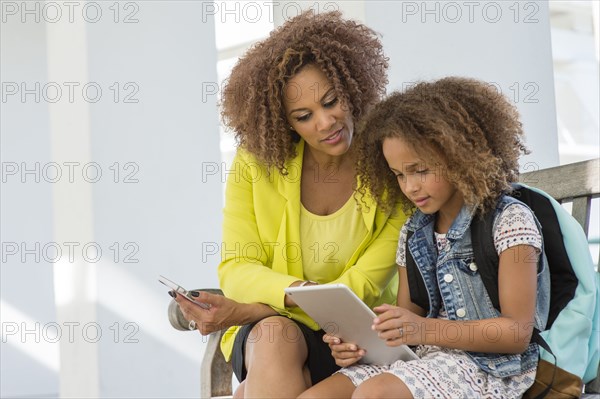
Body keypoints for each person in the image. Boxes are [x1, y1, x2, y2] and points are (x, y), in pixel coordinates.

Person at [172, 10, 407, 398]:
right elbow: (237, 266)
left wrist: (255, 307)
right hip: (272, 334)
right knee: (274, 337)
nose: (325, 122)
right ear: (284, 123)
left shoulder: (392, 165)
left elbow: (363, 286)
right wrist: (298, 292)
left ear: (352, 87)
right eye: (304, 116)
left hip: (354, 342)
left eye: (332, 102)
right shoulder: (255, 164)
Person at [299, 77, 551, 399]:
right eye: (399, 175)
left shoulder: (508, 221)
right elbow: (411, 322)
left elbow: (516, 332)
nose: (410, 187)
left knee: (374, 394)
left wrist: (423, 329)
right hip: (426, 359)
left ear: (458, 156)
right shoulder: (414, 231)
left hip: (492, 368)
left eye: (419, 171)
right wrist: (367, 339)